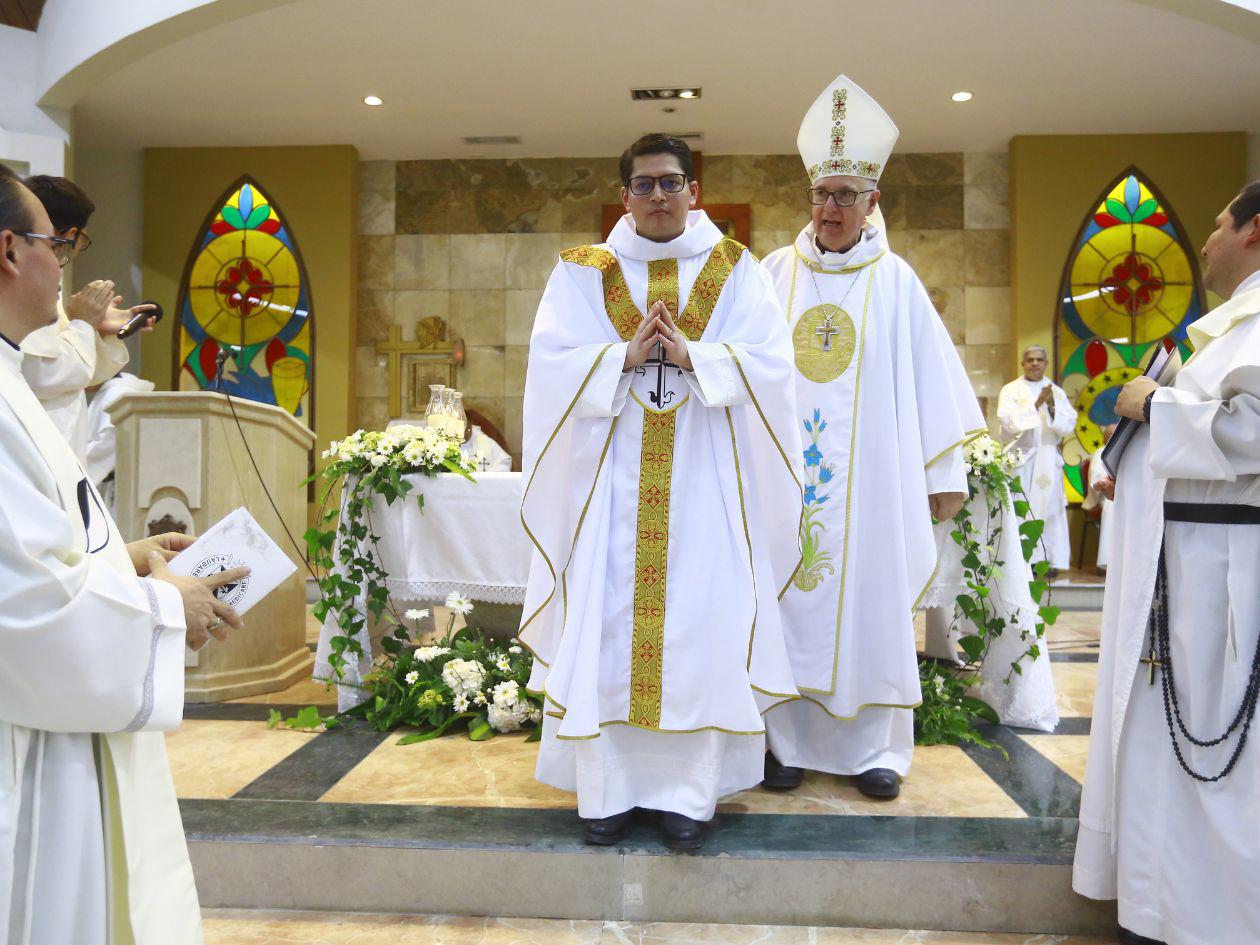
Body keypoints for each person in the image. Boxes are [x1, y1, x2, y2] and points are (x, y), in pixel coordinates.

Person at [519, 134, 802, 850]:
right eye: (643, 185)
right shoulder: (582, 273)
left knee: (699, 628)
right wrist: (622, 355)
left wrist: (694, 356)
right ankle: (606, 790)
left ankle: (688, 794)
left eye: (671, 183)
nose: (657, 196)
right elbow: (548, 366)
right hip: (610, 487)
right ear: (624, 196)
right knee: (609, 630)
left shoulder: (738, 271)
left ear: (694, 191)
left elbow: (772, 363)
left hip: (704, 487)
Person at [0, 166, 249, 945]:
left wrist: (132, 558)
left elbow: (42, 535)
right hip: (36, 744)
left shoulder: (12, 380)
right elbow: (24, 602)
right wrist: (170, 604)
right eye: (53, 243)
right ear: (9, 251)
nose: (62, 262)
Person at [760, 75, 985, 799]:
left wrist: (941, 474)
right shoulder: (772, 276)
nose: (829, 208)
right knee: (785, 602)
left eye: (845, 196)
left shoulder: (897, 282)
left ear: (872, 202)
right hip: (786, 488)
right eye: (821, 194)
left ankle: (875, 751)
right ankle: (782, 742)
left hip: (873, 496)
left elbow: (933, 382)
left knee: (873, 605)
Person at [1074, 180, 1260, 945]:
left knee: (1223, 746)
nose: (1208, 239)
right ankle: (1170, 906)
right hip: (1185, 564)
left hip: (1228, 576)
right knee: (1176, 739)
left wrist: (1152, 406)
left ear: (1254, 231)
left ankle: (1216, 915)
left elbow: (1248, 431)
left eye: (1219, 224)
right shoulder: (1234, 326)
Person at [19, 175, 155, 461]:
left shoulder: (44, 281)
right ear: (70, 235)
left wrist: (97, 330)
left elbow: (79, 373)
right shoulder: (23, 281)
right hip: (35, 445)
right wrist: (82, 323)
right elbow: (41, 375)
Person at [997, 346, 1077, 573]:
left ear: (1046, 363)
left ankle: (1047, 560)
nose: (1035, 363)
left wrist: (1050, 406)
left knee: (1049, 510)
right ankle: (1020, 559)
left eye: (1039, 360)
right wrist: (1035, 405)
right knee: (1020, 508)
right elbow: (1007, 421)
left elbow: (1068, 424)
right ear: (1022, 364)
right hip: (1021, 459)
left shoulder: (1057, 392)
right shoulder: (1011, 390)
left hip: (1047, 458)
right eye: (1030, 360)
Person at [84, 370, 156, 514]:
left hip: (119, 486)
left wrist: (71, 466)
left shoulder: (117, 393)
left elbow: (108, 444)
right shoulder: (111, 391)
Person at [1082, 423, 1118, 573]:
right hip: (1106, 498)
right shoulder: (1100, 453)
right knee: (1113, 505)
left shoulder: (1125, 452)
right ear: (1105, 439)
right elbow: (1096, 479)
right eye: (1110, 437)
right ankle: (1109, 563)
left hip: (1125, 492)